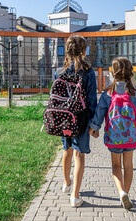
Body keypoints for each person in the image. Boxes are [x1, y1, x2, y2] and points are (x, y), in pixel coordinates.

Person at [88, 57, 136, 210]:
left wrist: (94, 128)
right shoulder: (135, 94)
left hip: (114, 137)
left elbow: (99, 113)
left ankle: (121, 192)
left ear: (112, 73)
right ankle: (126, 193)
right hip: (131, 138)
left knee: (116, 166)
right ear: (130, 73)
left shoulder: (108, 94)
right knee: (128, 165)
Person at [59, 34, 97, 207]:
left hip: (64, 118)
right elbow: (91, 100)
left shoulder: (60, 71)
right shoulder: (88, 72)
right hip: (81, 119)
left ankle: (67, 184)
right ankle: (75, 196)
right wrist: (94, 124)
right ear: (83, 50)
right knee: (79, 154)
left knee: (66, 150)